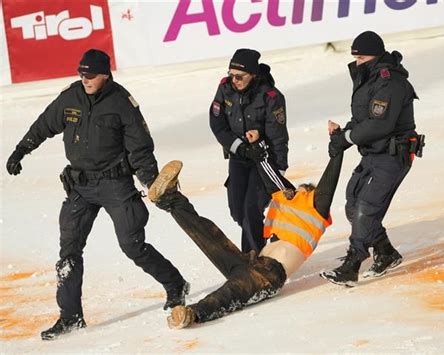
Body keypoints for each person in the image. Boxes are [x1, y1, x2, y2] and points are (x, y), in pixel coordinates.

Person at [5, 49, 189, 340]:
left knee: (132, 245)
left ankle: (175, 283)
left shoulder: (122, 103)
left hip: (116, 185)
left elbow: (140, 148)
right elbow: (44, 125)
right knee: (68, 252)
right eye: (81, 73)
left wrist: (152, 182)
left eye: (90, 74)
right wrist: (21, 150)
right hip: (80, 186)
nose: (84, 78)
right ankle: (70, 317)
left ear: (105, 74)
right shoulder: (71, 97)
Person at [147, 131, 343, 329]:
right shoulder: (286, 199)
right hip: (252, 260)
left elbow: (329, 183)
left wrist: (337, 147)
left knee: (231, 293)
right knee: (209, 236)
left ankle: (192, 313)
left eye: (301, 191)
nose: (294, 193)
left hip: (269, 275)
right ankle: (171, 199)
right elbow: (269, 174)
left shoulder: (316, 207)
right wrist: (257, 147)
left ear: (308, 193)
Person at [319, 31, 423, 287]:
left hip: (392, 155)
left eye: (362, 57)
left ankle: (352, 264)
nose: (357, 63)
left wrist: (348, 139)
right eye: (355, 57)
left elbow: (380, 125)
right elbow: (361, 119)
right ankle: (386, 252)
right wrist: (343, 134)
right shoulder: (368, 78)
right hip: (372, 153)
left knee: (367, 207)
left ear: (376, 56)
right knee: (353, 204)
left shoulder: (390, 82)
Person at [209, 48, 289, 254]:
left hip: (264, 160)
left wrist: (278, 170)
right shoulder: (225, 89)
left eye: (239, 76)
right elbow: (218, 125)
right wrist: (241, 148)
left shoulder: (271, 97)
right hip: (239, 156)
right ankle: (268, 235)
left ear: (253, 75)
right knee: (237, 211)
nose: (234, 80)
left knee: (250, 210)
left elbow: (279, 136)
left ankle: (252, 258)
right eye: (231, 75)